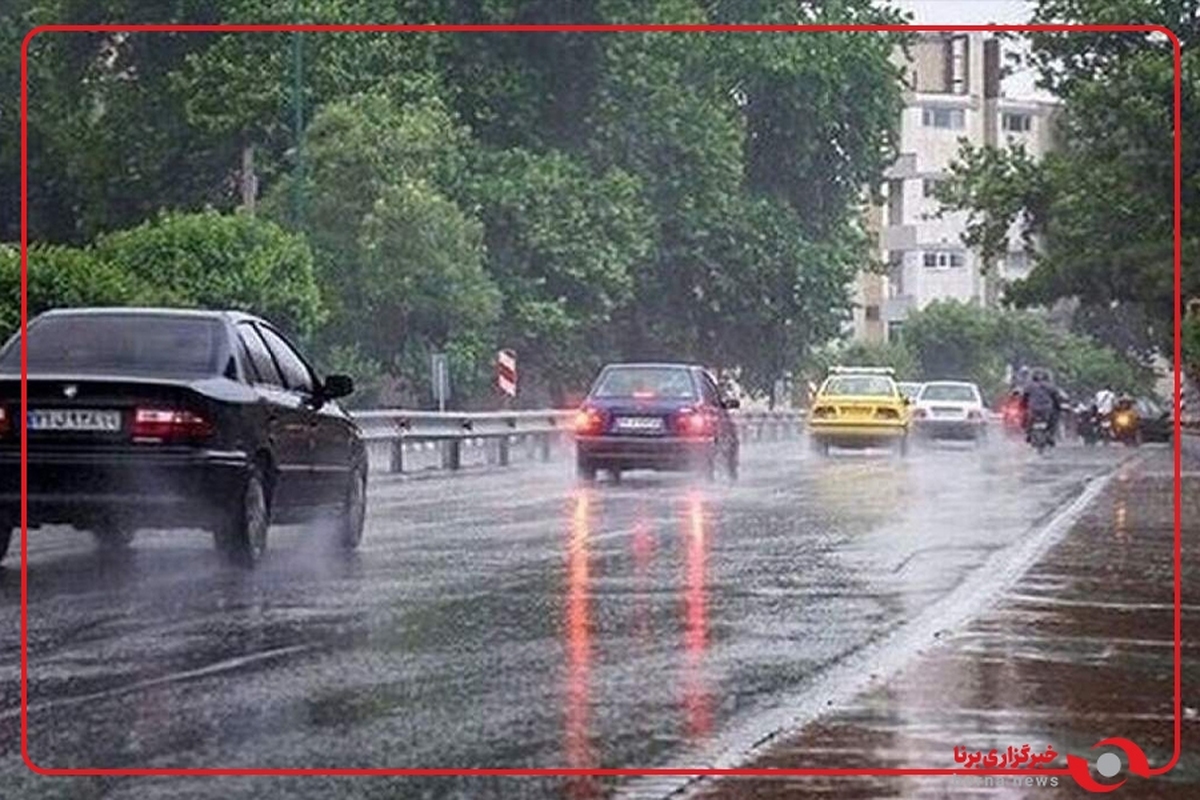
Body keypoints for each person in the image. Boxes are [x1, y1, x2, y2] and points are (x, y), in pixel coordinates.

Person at [1021, 369, 1063, 443]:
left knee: (1025, 417)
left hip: (1033, 409)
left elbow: (1024, 398)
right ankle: (1050, 434)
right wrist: (1058, 407)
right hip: (1047, 409)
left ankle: (1028, 434)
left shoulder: (1029, 386)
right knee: (1055, 419)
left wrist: (1023, 406)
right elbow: (1056, 399)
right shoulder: (1051, 386)